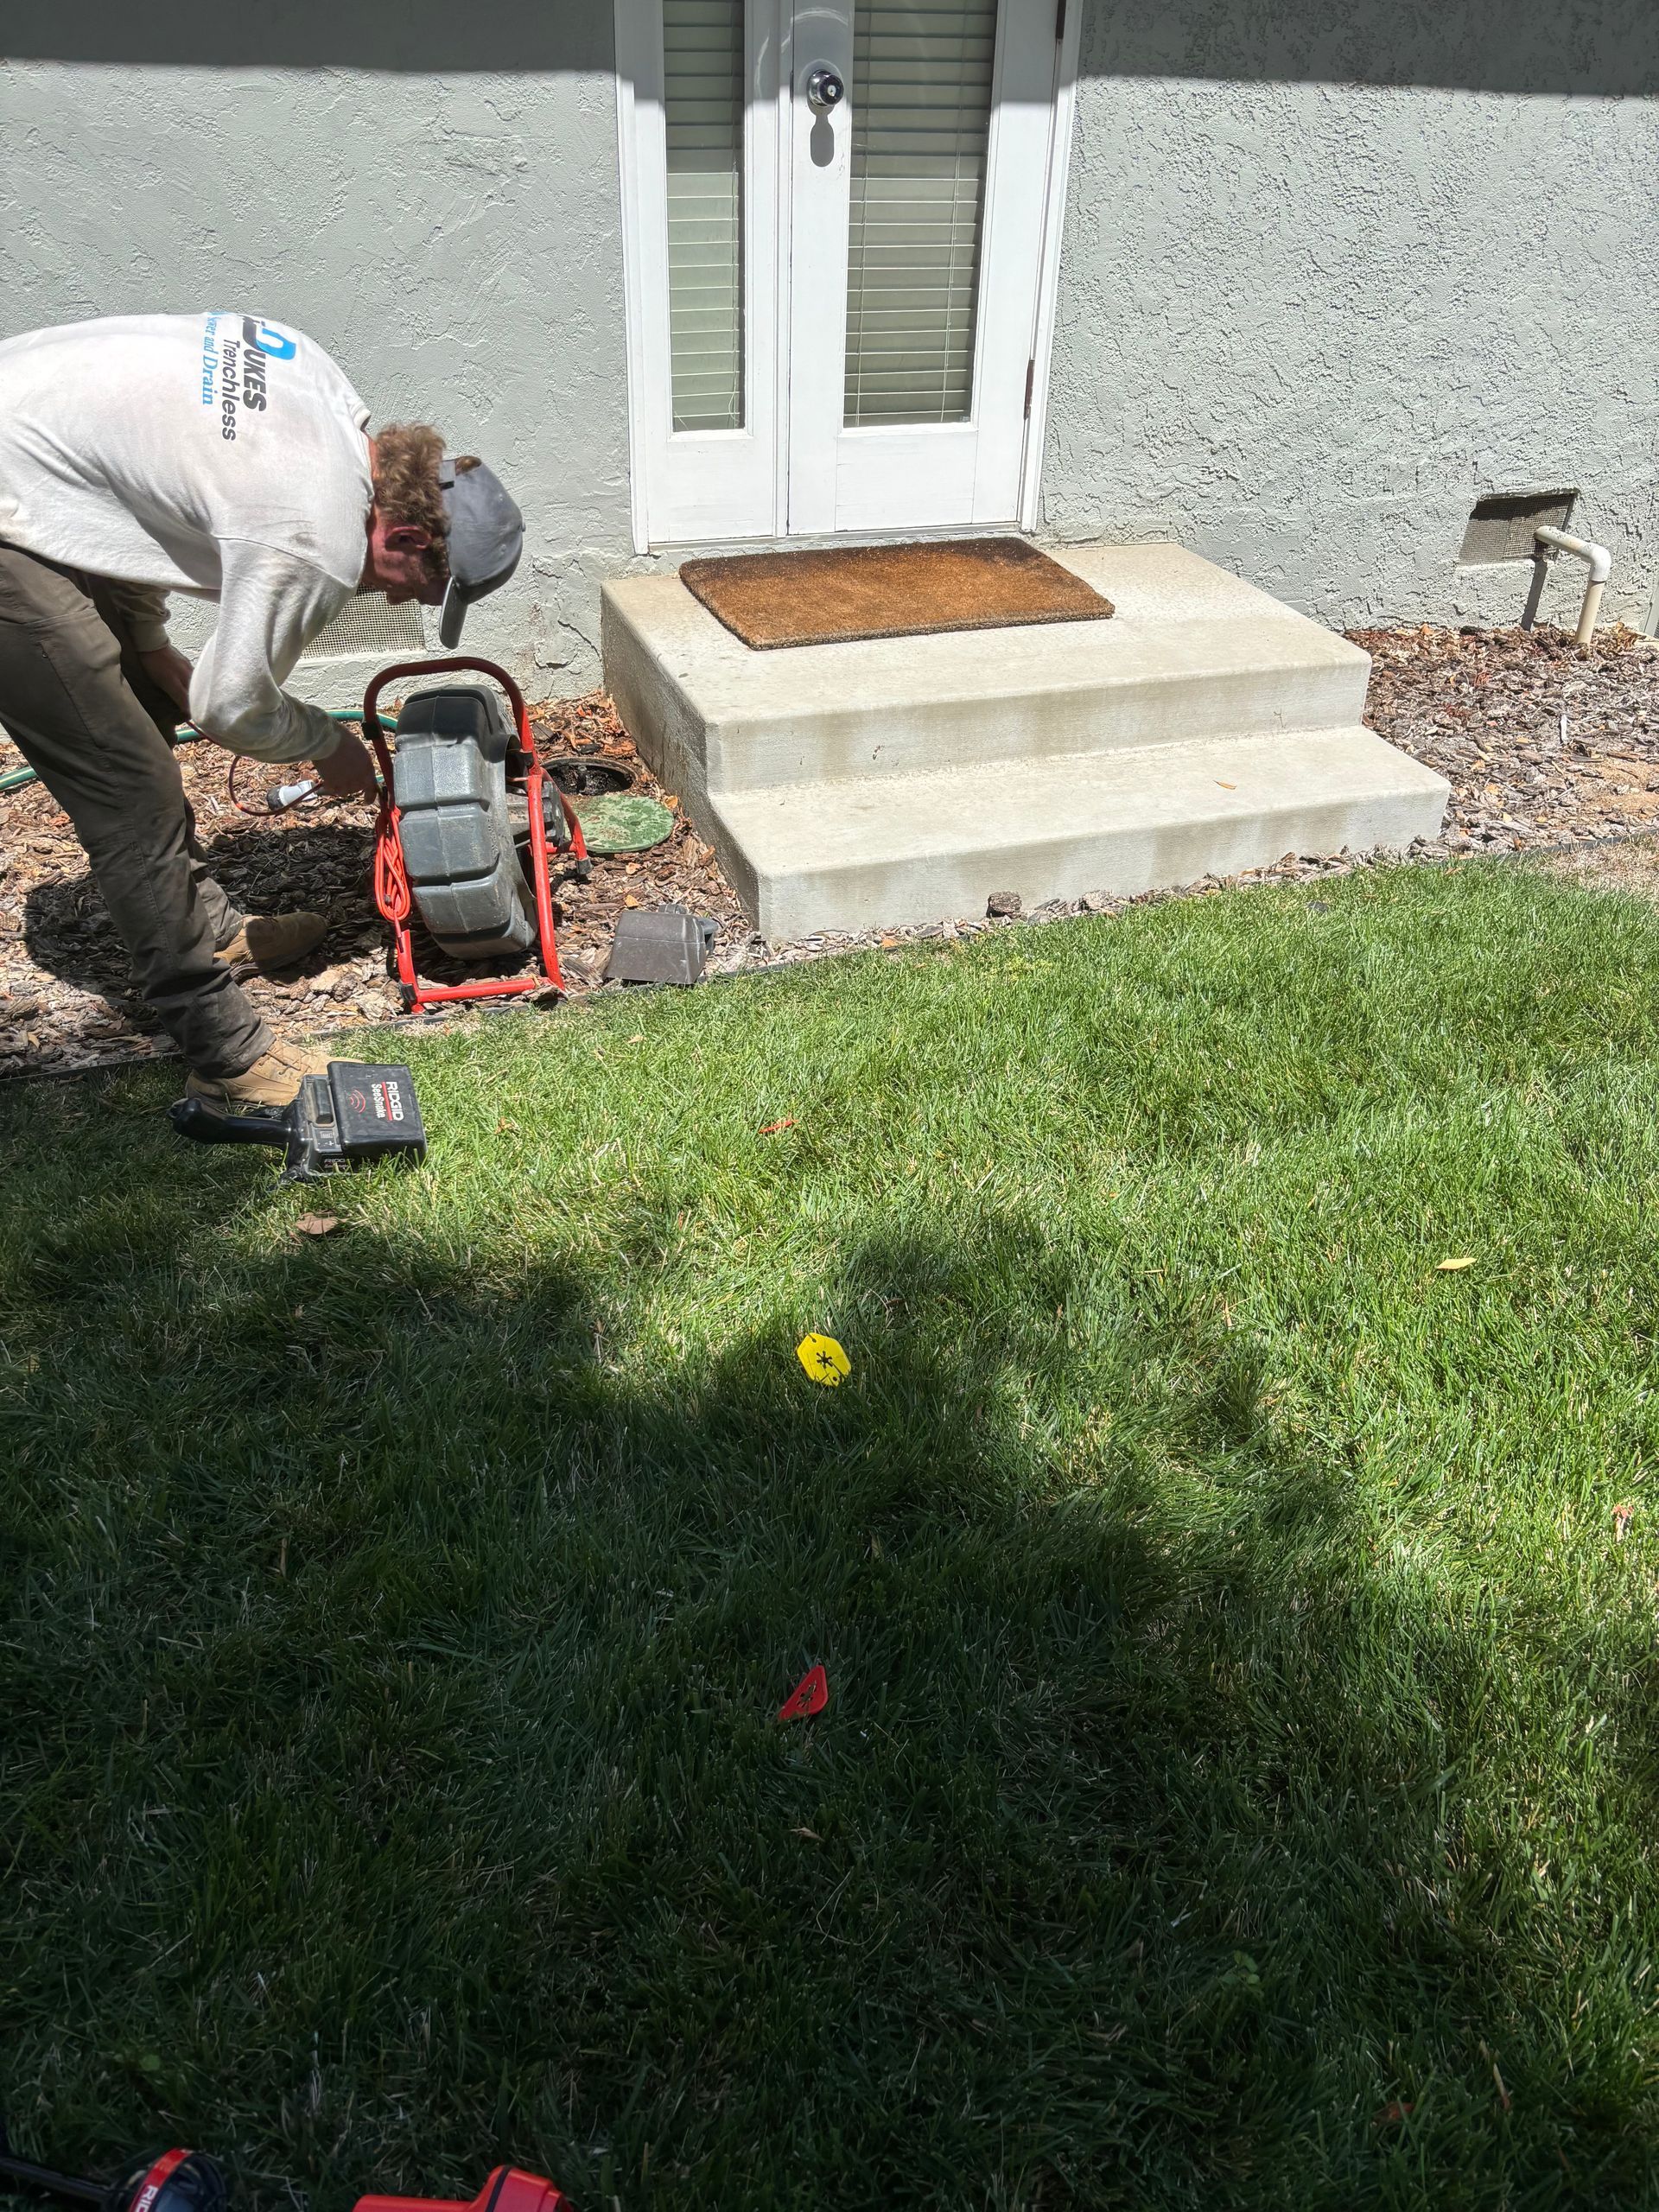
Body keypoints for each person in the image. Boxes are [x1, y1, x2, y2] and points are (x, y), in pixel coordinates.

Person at [0, 311, 524, 1107]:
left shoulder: (327, 396)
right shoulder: (315, 530)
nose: (395, 600)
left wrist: (147, 642)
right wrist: (325, 741)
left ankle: (209, 929)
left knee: (141, 703)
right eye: (418, 589)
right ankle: (226, 1057)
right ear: (409, 537)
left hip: (28, 461)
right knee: (130, 790)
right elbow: (229, 706)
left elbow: (134, 497)